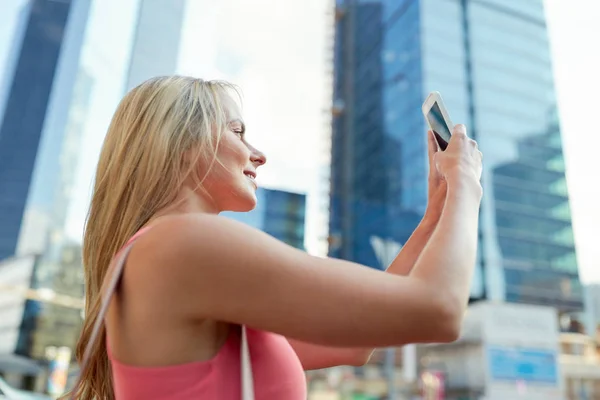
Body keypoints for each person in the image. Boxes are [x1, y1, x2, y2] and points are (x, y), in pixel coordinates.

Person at [71, 76, 483, 400]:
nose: (258, 154)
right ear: (180, 143)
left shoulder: (170, 257)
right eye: (237, 132)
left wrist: (434, 217)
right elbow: (439, 310)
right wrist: (467, 182)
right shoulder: (182, 243)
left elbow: (359, 343)